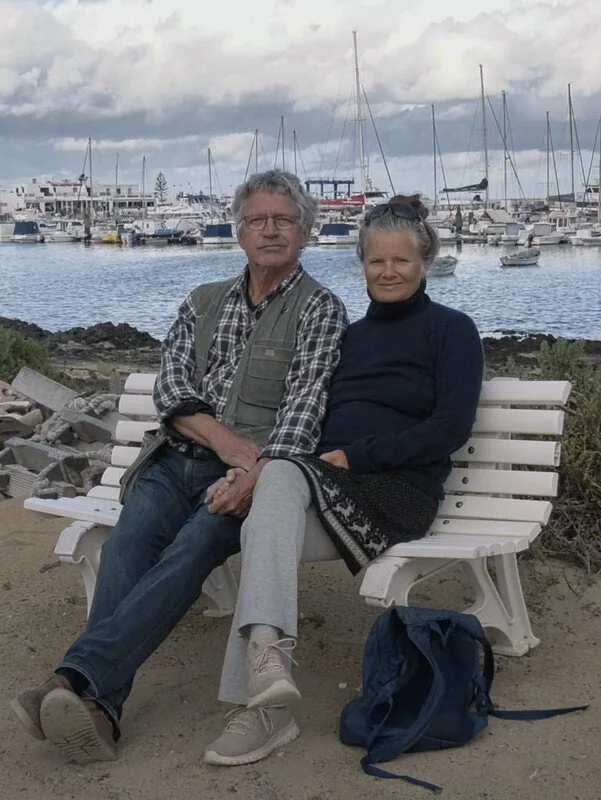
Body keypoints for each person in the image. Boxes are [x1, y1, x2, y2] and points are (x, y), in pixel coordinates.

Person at [11, 170, 348, 764]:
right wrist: (227, 443)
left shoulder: (320, 311)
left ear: (305, 233)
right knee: (127, 547)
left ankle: (68, 681)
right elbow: (172, 388)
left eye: (283, 221)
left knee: (187, 555)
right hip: (175, 462)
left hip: (246, 482)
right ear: (239, 232)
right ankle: (103, 714)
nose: (270, 231)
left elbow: (304, 408)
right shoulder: (202, 301)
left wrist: (252, 472)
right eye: (257, 221)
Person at [204, 194, 485, 766]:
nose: (387, 272)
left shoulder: (452, 331)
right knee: (269, 515)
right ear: (361, 264)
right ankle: (268, 677)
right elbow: (309, 415)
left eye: (401, 261)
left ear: (424, 262)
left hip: (395, 493)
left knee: (277, 483)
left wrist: (357, 458)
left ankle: (260, 701)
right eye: (375, 261)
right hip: (328, 488)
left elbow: (449, 428)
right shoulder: (348, 337)